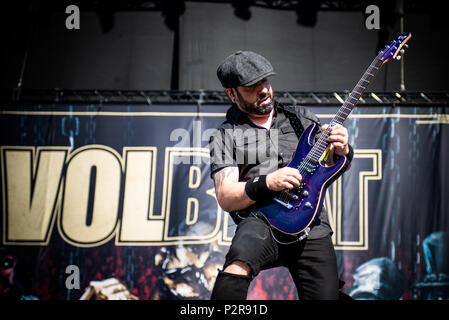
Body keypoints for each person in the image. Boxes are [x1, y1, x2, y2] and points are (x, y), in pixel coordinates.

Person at [208, 50, 353, 300]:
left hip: (312, 225)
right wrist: (268, 182)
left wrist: (342, 151)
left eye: (265, 81)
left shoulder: (302, 119)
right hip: (262, 220)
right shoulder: (225, 134)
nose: (263, 90)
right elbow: (226, 196)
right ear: (232, 93)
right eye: (252, 86)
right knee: (235, 270)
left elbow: (326, 167)